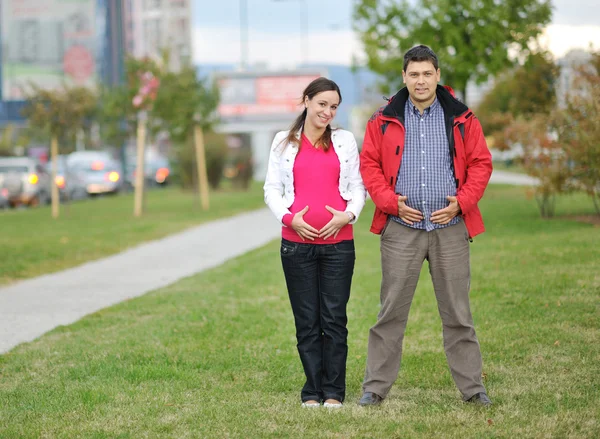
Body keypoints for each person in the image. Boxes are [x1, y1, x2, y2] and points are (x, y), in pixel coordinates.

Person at [358, 45, 493, 407]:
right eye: (413, 74)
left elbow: (481, 164)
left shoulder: (463, 117)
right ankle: (375, 387)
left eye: (427, 73)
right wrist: (389, 203)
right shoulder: (382, 119)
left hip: (450, 228)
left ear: (437, 76)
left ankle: (473, 389)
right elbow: (368, 164)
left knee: (458, 314)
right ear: (404, 77)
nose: (420, 80)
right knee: (390, 313)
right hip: (401, 228)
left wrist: (461, 203)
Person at [264, 77, 366, 408]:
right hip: (296, 245)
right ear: (306, 101)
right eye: (322, 104)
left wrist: (347, 216)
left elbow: (357, 187)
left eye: (334, 106)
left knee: (334, 319)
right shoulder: (283, 141)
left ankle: (334, 391)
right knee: (307, 320)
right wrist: (289, 218)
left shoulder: (345, 140)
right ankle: (312, 390)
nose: (327, 112)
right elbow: (271, 189)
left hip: (339, 245)